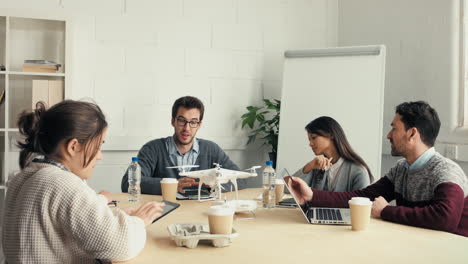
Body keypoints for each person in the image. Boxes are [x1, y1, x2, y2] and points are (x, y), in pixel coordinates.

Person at [2, 100, 165, 263]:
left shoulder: (25, 176)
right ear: (73, 147)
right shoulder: (61, 183)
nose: (100, 155)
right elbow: (121, 245)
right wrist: (139, 221)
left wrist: (120, 216)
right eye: (98, 146)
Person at [288, 101, 468, 237]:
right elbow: (362, 197)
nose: (388, 135)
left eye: (394, 129)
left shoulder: (446, 171)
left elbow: (445, 219)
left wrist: (386, 211)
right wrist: (312, 195)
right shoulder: (401, 169)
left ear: (412, 133)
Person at [121, 96, 246, 195]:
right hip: (165, 214)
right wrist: (171, 185)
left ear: (199, 124)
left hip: (201, 214)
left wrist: (216, 185)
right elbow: (128, 183)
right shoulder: (152, 149)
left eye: (193, 122)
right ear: (173, 121)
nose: (186, 128)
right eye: (181, 121)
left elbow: (241, 179)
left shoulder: (211, 149)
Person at [293, 116, 373, 191]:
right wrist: (309, 166)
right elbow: (289, 189)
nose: (310, 144)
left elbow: (362, 203)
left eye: (314, 138)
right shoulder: (317, 166)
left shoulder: (358, 171)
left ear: (331, 134)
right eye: (309, 140)